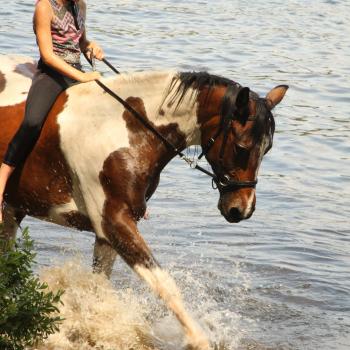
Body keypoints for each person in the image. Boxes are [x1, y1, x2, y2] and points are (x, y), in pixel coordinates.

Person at [0, 0, 104, 224]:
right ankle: (2, 178)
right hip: (51, 75)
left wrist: (91, 46)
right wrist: (83, 78)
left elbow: (80, 42)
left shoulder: (79, 6)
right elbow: (48, 56)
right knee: (32, 122)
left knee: (104, 119)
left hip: (75, 72)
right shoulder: (44, 7)